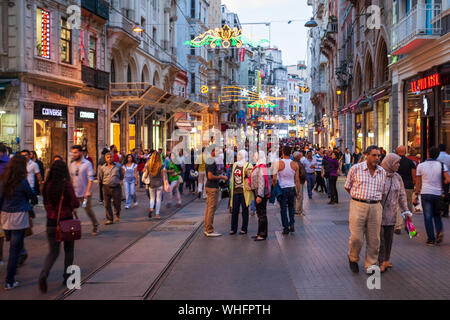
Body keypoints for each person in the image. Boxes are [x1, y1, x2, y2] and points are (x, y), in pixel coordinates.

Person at [39, 160, 80, 293]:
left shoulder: (47, 185)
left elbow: (45, 202)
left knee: (53, 252)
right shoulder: (66, 185)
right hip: (66, 221)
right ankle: (67, 277)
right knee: (69, 250)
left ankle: (44, 273)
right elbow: (75, 202)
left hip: (51, 222)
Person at [344, 145, 386, 273]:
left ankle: (371, 264)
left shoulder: (382, 172)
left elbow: (383, 191)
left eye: (378, 155)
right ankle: (353, 258)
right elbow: (347, 186)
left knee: (374, 239)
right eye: (374, 155)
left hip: (375, 206)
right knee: (356, 237)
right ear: (366, 155)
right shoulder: (355, 169)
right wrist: (358, 198)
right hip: (358, 205)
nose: (377, 158)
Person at [0, 155, 37, 290]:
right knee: (14, 250)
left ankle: (18, 258)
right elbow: (31, 196)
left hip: (5, 215)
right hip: (19, 216)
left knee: (14, 245)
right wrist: (33, 200)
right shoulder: (22, 181)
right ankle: (9, 280)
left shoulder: (4, 179)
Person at [378, 153, 411, 273]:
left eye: (398, 163)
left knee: (389, 238)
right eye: (396, 163)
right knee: (380, 240)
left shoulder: (397, 177)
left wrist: (406, 210)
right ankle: (381, 262)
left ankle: (386, 259)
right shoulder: (378, 175)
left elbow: (402, 195)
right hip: (378, 214)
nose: (398, 165)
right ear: (390, 163)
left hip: (391, 214)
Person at [415, 146, 450, 246]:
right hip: (438, 193)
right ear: (438, 155)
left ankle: (431, 239)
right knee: (437, 215)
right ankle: (439, 231)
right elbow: (448, 179)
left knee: (428, 217)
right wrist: (441, 182)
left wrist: (417, 193)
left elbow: (418, 183)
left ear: (428, 153)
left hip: (425, 193)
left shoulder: (421, 166)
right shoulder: (442, 165)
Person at [69, 145, 99, 236]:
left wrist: (88, 191)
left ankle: (95, 225)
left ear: (81, 153)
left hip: (85, 192)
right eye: (73, 152)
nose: (74, 154)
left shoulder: (87, 164)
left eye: (76, 152)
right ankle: (75, 226)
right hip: (74, 192)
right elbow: (71, 178)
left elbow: (90, 179)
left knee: (88, 210)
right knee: (72, 211)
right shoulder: (72, 164)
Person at [272, 145, 301, 235]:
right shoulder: (295, 164)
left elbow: (274, 178)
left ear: (283, 152)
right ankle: (292, 224)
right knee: (291, 207)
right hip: (292, 188)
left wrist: (274, 185)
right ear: (291, 153)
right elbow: (297, 180)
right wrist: (298, 191)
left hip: (283, 188)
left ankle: (286, 228)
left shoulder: (278, 163)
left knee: (283, 209)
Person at [204, 147, 228, 237]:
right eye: (217, 151)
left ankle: (207, 228)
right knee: (211, 209)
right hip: (212, 187)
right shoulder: (211, 161)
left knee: (208, 208)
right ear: (213, 151)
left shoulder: (210, 160)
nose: (219, 152)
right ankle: (209, 230)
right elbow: (210, 176)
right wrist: (221, 177)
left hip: (210, 186)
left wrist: (219, 175)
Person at [229, 150, 253, 235]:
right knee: (234, 211)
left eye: (240, 154)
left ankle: (244, 228)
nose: (238, 156)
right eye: (238, 154)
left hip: (244, 192)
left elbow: (251, 177)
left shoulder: (248, 165)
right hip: (235, 191)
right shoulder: (235, 164)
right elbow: (232, 177)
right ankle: (233, 228)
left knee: (244, 211)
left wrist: (247, 173)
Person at [395, 145, 417, 233]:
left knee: (397, 206)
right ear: (405, 152)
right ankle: (408, 225)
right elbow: (414, 176)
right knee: (407, 206)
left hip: (397, 186)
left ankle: (398, 226)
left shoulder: (395, 162)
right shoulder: (410, 162)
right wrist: (415, 186)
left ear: (397, 152)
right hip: (408, 186)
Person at [250, 150, 270, 241]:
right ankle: (259, 233)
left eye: (255, 156)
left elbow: (262, 182)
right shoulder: (259, 166)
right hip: (257, 192)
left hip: (260, 193)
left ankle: (262, 234)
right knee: (259, 213)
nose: (254, 157)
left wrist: (259, 196)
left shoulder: (261, 167)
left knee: (261, 213)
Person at [98, 153, 123, 224]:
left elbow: (121, 176)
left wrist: (118, 181)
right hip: (106, 187)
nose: (109, 158)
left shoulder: (118, 166)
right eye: (108, 157)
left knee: (117, 203)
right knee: (106, 204)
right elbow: (101, 177)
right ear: (105, 159)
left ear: (113, 158)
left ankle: (117, 214)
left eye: (111, 157)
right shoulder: (103, 167)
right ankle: (109, 219)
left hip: (116, 187)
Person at [143, 152, 165, 219]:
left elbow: (146, 175)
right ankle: (157, 214)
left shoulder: (148, 164)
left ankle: (151, 208)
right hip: (159, 183)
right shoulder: (161, 165)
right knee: (158, 199)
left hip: (151, 183)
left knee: (152, 198)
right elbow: (162, 175)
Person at [437, 144, 450, 218]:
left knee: (438, 193)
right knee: (446, 193)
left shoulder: (437, 157)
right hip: (447, 178)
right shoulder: (449, 157)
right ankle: (445, 210)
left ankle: (439, 208)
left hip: (437, 177)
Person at [292, 151, 306, 216]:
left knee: (297, 196)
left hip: (297, 181)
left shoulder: (294, 162)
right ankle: (297, 210)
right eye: (299, 155)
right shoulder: (297, 163)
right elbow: (301, 173)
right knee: (299, 196)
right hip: (299, 181)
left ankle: (297, 209)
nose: (301, 156)